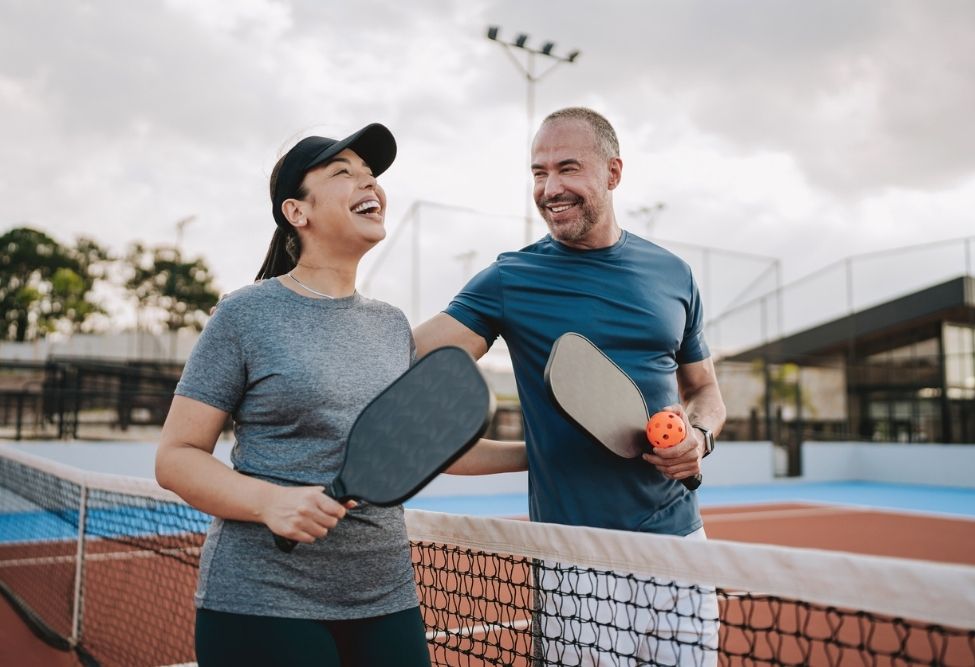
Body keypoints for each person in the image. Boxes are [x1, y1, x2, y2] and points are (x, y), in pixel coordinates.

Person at [155, 124, 524, 667]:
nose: (368, 182)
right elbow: (176, 457)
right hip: (263, 602)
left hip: (386, 597)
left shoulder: (391, 325)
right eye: (343, 172)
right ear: (296, 213)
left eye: (371, 174)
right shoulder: (245, 314)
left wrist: (536, 455)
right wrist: (271, 502)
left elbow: (421, 450)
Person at [413, 107, 726, 664]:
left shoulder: (673, 274)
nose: (550, 188)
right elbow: (406, 350)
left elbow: (704, 388)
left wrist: (698, 436)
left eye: (567, 168)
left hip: (681, 545)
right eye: (538, 173)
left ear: (613, 172)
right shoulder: (511, 279)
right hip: (575, 557)